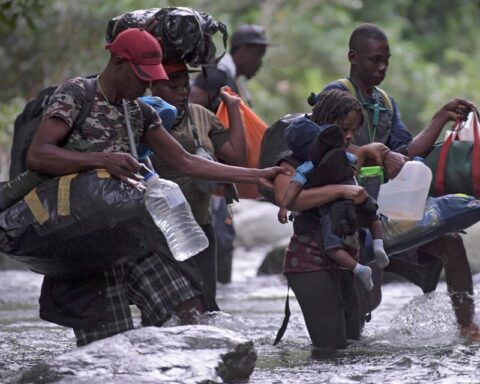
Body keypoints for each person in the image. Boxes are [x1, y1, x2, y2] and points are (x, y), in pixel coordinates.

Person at [26, 28, 286, 346]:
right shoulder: (76, 95)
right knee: (109, 344)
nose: (146, 85)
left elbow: (186, 162)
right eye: (140, 76)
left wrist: (254, 176)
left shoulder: (141, 111)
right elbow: (39, 155)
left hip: (132, 237)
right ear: (118, 62)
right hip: (85, 244)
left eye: (151, 77)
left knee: (191, 310)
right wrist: (102, 160)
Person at [318, 23, 479, 339]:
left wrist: (442, 116)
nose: (382, 68)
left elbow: (408, 150)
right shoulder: (334, 95)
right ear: (353, 57)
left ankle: (467, 327)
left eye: (386, 60)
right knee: (359, 311)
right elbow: (318, 144)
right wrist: (370, 152)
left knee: (452, 242)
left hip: (384, 208)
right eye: (374, 60)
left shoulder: (385, 102)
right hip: (342, 212)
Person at [272, 89, 385, 350]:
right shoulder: (293, 159)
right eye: (343, 128)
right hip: (310, 261)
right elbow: (289, 199)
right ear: (322, 123)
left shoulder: (344, 158)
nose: (348, 137)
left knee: (353, 342)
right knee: (331, 348)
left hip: (346, 257)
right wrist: (341, 190)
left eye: (353, 130)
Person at [147, 61, 247, 302]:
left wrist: (233, 108)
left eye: (185, 86)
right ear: (153, 87)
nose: (182, 92)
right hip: (159, 228)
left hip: (201, 223)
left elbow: (236, 156)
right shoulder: (141, 116)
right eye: (173, 87)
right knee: (167, 306)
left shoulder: (201, 115)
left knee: (207, 302)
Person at [190, 24, 273, 284]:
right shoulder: (217, 76)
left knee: (222, 237)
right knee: (218, 239)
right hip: (208, 170)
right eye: (258, 55)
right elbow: (192, 108)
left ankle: (217, 296)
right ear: (244, 50)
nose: (260, 63)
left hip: (219, 171)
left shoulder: (228, 76)